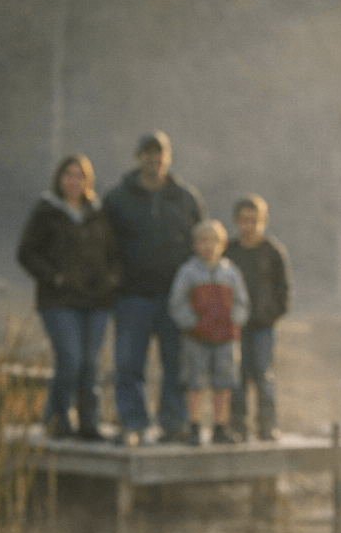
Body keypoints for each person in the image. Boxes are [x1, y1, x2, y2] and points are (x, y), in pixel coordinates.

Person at [103, 130, 206, 445]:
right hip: (131, 295)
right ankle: (133, 423)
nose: (154, 158)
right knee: (129, 365)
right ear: (138, 157)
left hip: (177, 297)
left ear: (168, 157)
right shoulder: (117, 198)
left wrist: (199, 290)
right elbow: (103, 246)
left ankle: (173, 423)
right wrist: (111, 282)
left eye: (159, 152)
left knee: (176, 365)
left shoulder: (186, 198)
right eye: (148, 153)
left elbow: (202, 244)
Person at [16, 154, 120, 441]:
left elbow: (114, 252)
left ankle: (89, 422)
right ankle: (59, 419)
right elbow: (25, 253)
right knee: (70, 358)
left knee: (90, 363)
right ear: (60, 179)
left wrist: (112, 279)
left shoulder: (98, 212)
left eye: (80, 175)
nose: (75, 181)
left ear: (88, 180)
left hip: (96, 300)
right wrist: (54, 277)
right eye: (69, 175)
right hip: (59, 300)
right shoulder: (46, 211)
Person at [168, 219, 249, 445]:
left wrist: (234, 322)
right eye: (203, 241)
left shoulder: (231, 273)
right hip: (196, 338)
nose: (209, 246)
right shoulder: (188, 272)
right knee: (195, 382)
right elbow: (177, 303)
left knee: (224, 383)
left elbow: (242, 303)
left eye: (214, 241)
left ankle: (220, 428)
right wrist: (191, 324)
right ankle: (194, 427)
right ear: (195, 245)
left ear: (223, 245)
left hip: (225, 338)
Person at [224, 194, 291, 442]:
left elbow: (284, 289)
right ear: (236, 221)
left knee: (263, 376)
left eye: (254, 220)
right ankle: (238, 425)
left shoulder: (272, 252)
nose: (249, 226)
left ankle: (267, 425)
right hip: (235, 326)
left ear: (263, 221)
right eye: (244, 220)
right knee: (237, 377)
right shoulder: (229, 251)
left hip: (263, 326)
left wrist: (270, 314)